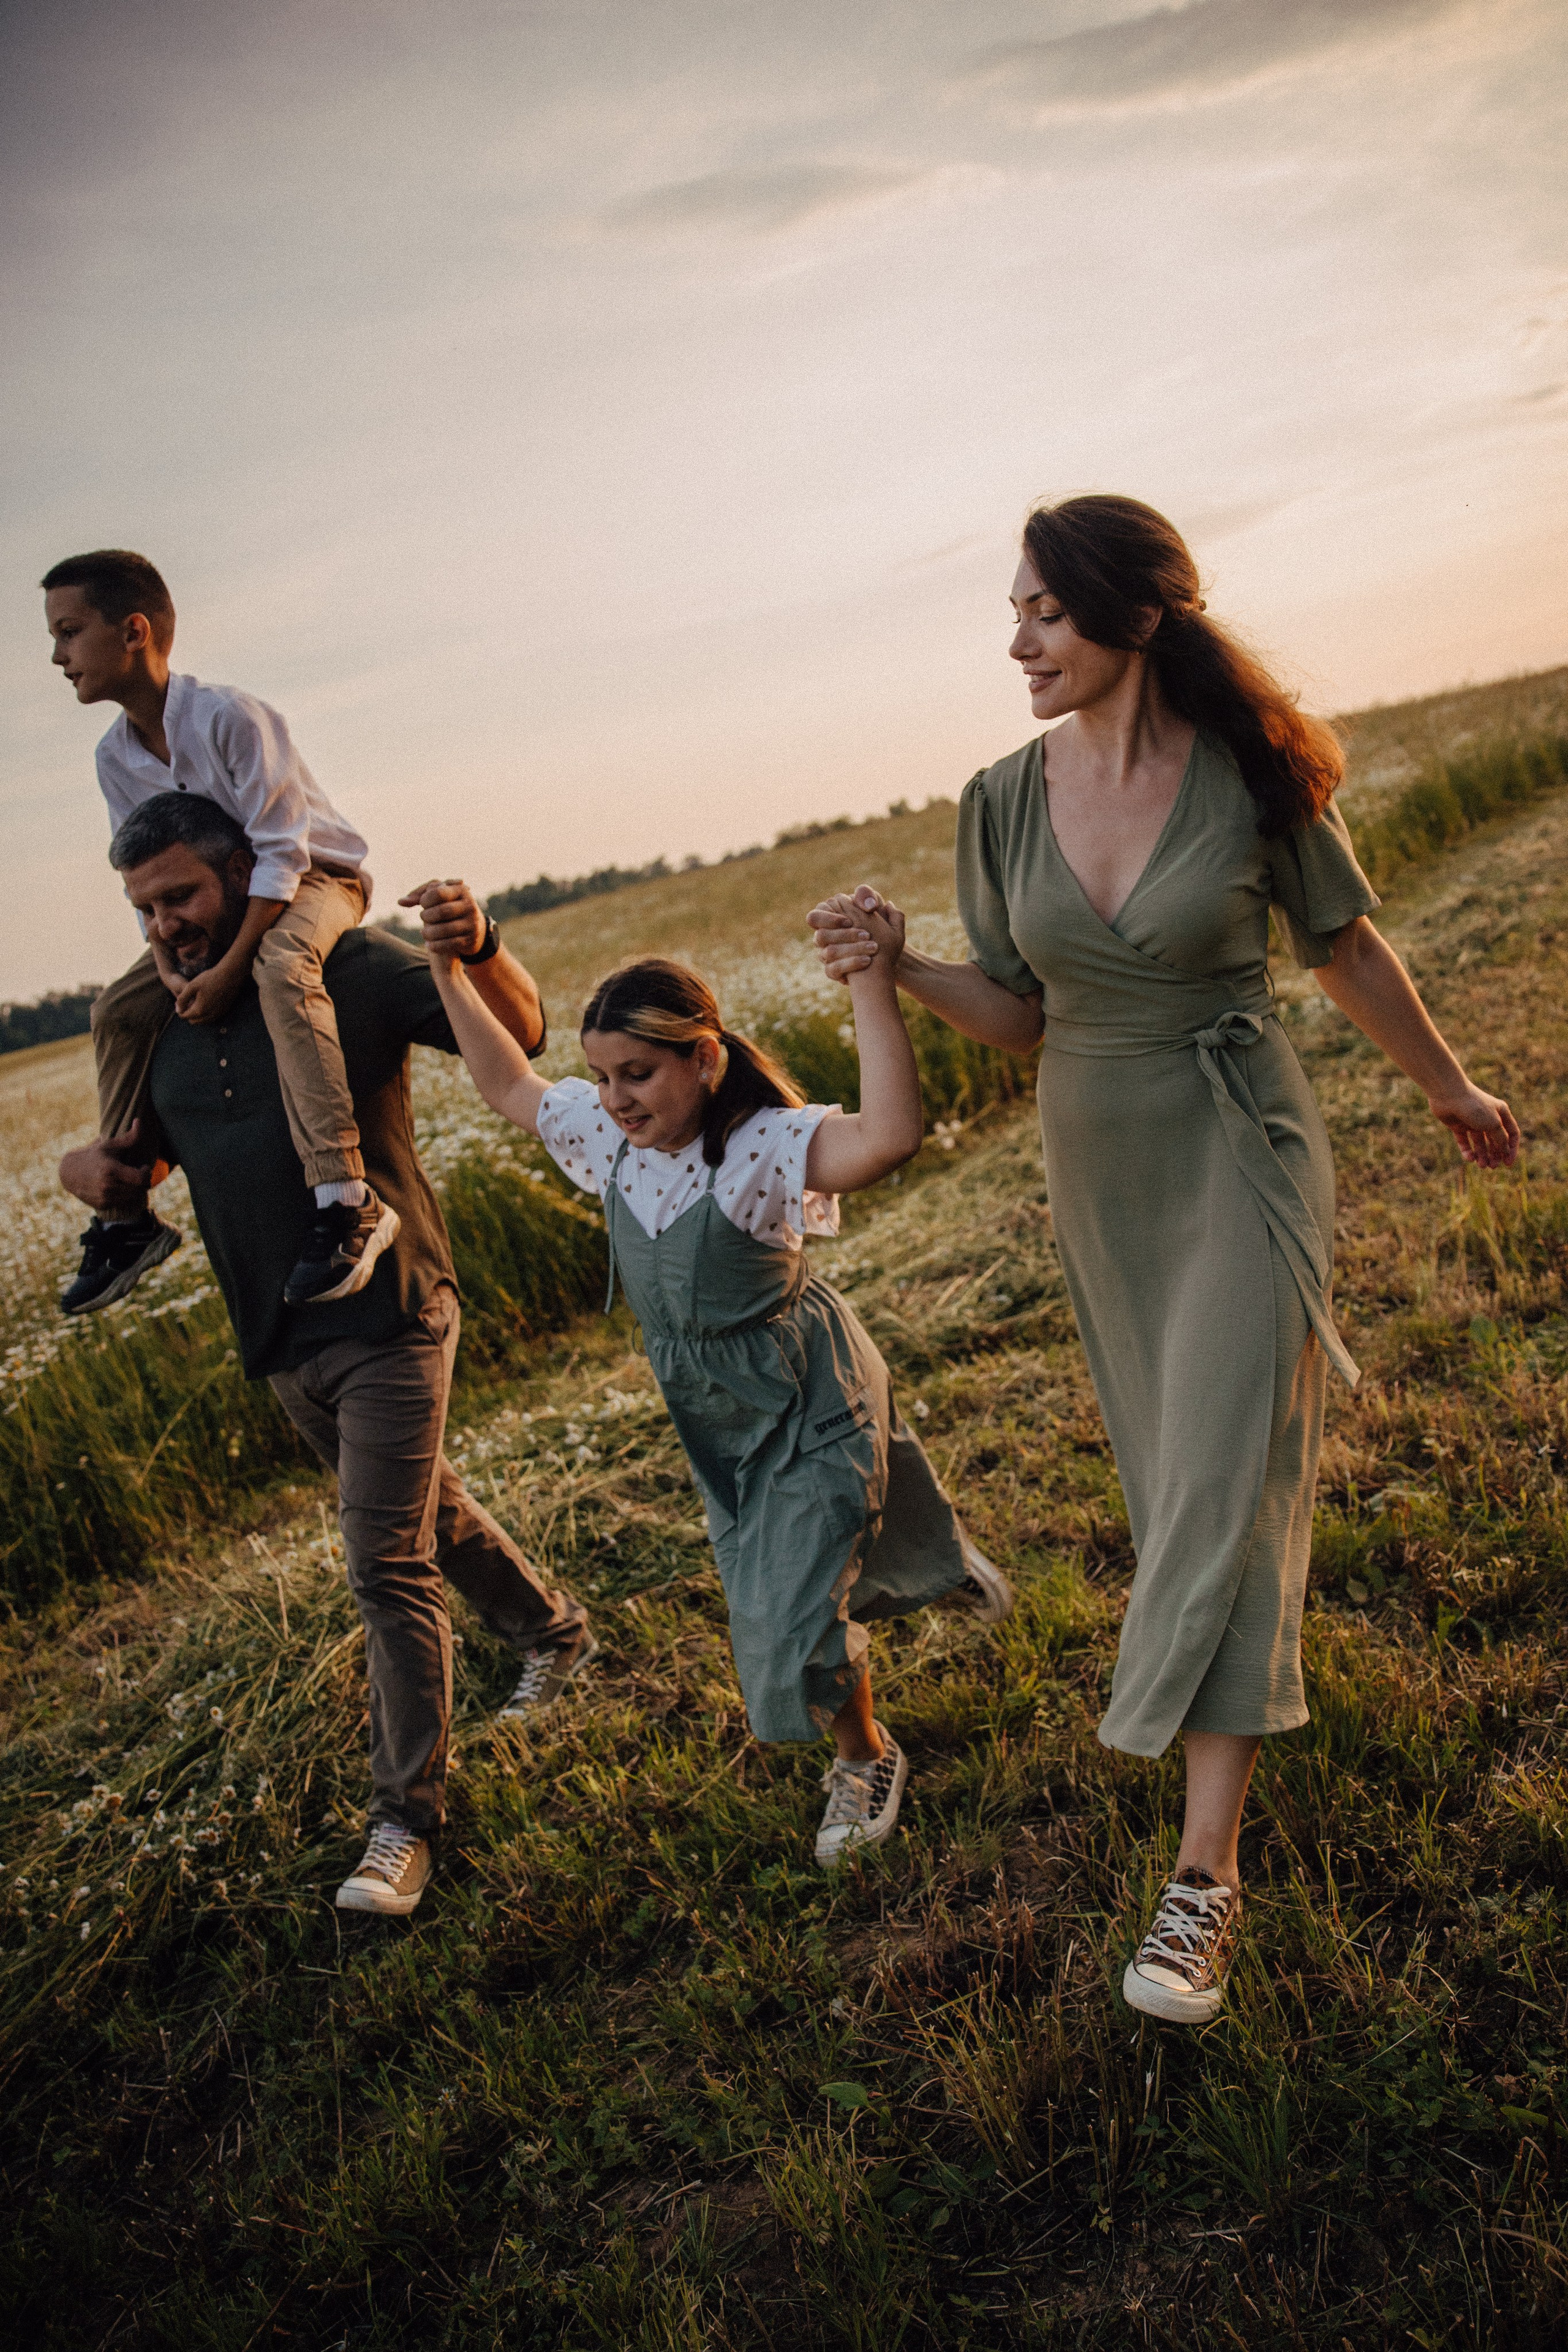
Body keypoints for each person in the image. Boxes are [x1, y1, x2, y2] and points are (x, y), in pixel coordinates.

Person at [810, 492, 1520, 2018]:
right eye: (1013, 613)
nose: (1017, 641)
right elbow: (1020, 1009)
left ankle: (1201, 1881)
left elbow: (1340, 948)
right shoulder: (997, 799)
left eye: (1044, 614)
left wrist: (1449, 1086)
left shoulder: (1251, 773)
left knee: (1216, 1479)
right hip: (1104, 1173)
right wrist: (900, 965)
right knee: (1182, 1479)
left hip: (1240, 1146)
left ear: (1131, 616)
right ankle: (1209, 1791)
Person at [59, 794, 595, 1918]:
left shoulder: (340, 971)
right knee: (421, 1514)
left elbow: (524, 1036)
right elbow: (147, 1164)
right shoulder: (160, 1018)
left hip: (391, 1310)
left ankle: (405, 1823)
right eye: (145, 908)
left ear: (245, 881)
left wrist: (483, 944)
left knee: (382, 1563)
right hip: (279, 1337)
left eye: (182, 897)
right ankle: (553, 1631)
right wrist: (88, 1175)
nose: (164, 926)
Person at [410, 889, 1013, 1869]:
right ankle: (937, 1564)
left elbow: (890, 1136)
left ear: (706, 1057)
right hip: (715, 1413)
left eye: (639, 1073)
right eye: (603, 1076)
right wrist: (448, 970)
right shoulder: (608, 1139)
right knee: (800, 1552)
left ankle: (864, 1756)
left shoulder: (761, 1147)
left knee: (788, 1604)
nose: (615, 1097)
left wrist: (873, 980)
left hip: (806, 1383)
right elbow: (508, 1084)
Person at [43, 548, 396, 1316]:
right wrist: (168, 969)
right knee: (119, 1011)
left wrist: (231, 965)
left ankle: (344, 1198)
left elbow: (282, 850)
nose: (57, 655)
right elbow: (141, 879)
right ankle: (126, 1217)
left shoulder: (229, 717)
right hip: (211, 913)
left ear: (134, 630)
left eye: (70, 633)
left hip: (315, 880)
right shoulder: (113, 758)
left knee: (281, 969)